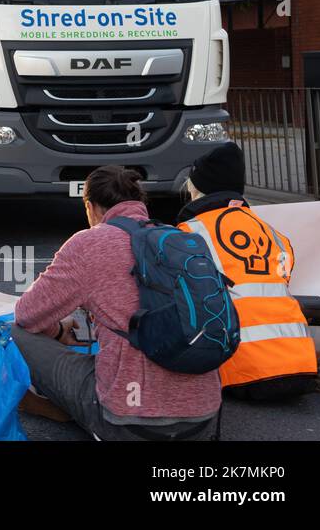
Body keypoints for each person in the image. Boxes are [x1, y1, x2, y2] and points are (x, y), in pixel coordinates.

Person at [13, 165, 221, 440]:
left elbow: (28, 314)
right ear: (140, 204)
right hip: (202, 418)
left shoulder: (90, 243)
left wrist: (60, 331)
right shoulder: (184, 240)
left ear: (90, 206)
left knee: (16, 333)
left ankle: (73, 408)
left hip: (130, 423)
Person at [176, 143, 317, 401]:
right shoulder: (274, 235)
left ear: (198, 189)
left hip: (241, 371)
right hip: (301, 366)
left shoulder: (190, 233)